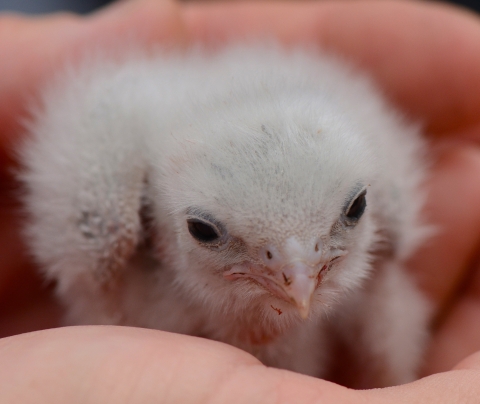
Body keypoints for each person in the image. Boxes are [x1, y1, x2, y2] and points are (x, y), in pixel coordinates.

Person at [1, 0, 480, 401]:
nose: (299, 279)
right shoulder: (113, 202)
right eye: (208, 233)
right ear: (168, 227)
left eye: (351, 212)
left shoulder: (349, 155)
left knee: (384, 300)